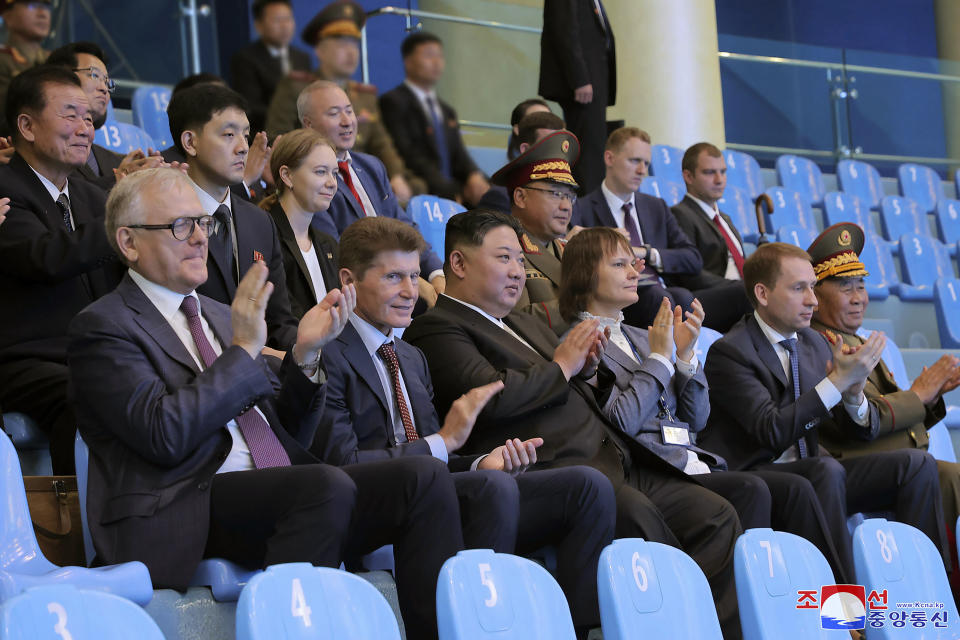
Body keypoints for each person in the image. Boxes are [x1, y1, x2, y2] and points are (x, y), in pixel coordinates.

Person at [67, 167, 470, 640]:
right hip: (182, 504)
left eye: (205, 223)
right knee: (320, 487)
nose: (200, 239)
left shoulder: (220, 313)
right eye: (181, 226)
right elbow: (163, 435)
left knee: (423, 477)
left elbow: (286, 431)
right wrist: (241, 350)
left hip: (270, 490)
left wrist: (305, 356)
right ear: (129, 243)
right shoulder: (104, 326)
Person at [404, 208, 749, 638]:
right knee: (639, 516)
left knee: (715, 514)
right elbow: (491, 396)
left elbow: (588, 388)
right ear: (457, 264)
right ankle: (675, 626)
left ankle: (713, 629)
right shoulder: (439, 328)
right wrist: (563, 367)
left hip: (618, 455)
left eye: (519, 260)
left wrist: (585, 370)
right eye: (503, 258)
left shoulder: (525, 322)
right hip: (555, 468)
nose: (517, 271)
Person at [313, 216, 616, 636]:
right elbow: (343, 463)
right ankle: (479, 628)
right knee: (490, 489)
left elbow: (440, 455)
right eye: (393, 277)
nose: (409, 292)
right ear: (348, 279)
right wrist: (445, 445)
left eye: (415, 276)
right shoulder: (326, 352)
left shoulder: (410, 356)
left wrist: (480, 462)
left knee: (586, 486)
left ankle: (585, 631)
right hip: (371, 501)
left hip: (433, 489)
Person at [558, 226, 848, 581]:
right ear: (586, 275)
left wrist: (684, 357)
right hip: (652, 471)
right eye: (620, 265)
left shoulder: (641, 335)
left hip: (692, 459)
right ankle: (750, 613)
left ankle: (832, 613)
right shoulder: (579, 345)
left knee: (798, 490)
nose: (635, 272)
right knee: (753, 489)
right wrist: (662, 358)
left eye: (634, 264)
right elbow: (621, 421)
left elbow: (697, 419)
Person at [701, 241, 949, 582]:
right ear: (762, 293)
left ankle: (929, 591)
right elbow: (771, 430)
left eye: (813, 288)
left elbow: (857, 430)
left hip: (814, 471)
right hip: (757, 473)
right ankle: (845, 616)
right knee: (825, 471)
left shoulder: (813, 342)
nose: (812, 301)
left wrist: (853, 393)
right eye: (799, 288)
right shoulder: (730, 352)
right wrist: (835, 383)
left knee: (917, 465)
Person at [808, 222, 960, 559]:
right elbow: (857, 423)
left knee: (952, 476)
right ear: (815, 294)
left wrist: (930, 396)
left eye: (861, 286)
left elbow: (889, 413)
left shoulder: (859, 340)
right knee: (944, 475)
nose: (859, 298)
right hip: (856, 464)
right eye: (845, 287)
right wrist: (918, 394)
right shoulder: (816, 344)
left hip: (892, 457)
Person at [0, 65, 121, 474]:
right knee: (89, 392)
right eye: (70, 114)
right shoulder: (5, 188)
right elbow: (45, 258)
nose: (85, 128)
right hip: (28, 360)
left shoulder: (94, 195)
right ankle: (83, 523)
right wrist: (126, 221)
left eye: (88, 117)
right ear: (27, 126)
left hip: (98, 351)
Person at [167, 82, 299, 349]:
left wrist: (310, 354)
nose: (243, 147)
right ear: (190, 142)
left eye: (246, 135)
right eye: (229, 135)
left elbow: (279, 321)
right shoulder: (166, 220)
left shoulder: (260, 222)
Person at [297, 80, 446, 308]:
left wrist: (435, 273)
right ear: (308, 124)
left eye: (349, 111)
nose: (347, 122)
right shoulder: (309, 179)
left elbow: (405, 227)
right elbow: (336, 253)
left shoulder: (371, 166)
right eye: (335, 114)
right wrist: (411, 280)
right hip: (359, 296)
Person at [264, 0, 417, 204]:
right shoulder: (295, 88)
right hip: (316, 178)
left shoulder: (364, 96)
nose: (351, 51)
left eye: (354, 43)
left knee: (413, 189)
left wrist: (397, 175)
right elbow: (279, 139)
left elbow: (382, 144)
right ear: (319, 50)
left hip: (359, 174)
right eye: (341, 43)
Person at [572, 127, 702, 329]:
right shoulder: (582, 208)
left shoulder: (656, 206)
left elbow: (692, 258)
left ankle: (684, 358)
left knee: (684, 297)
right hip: (620, 300)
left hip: (664, 290)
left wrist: (647, 253)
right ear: (609, 158)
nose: (642, 171)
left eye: (646, 163)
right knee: (662, 298)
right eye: (634, 161)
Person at [488, 129, 582, 335]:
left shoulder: (569, 250)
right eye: (556, 194)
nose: (567, 206)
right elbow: (516, 323)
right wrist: (587, 297)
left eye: (570, 196)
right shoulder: (503, 252)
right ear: (520, 197)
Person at [378, 32, 489, 206]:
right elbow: (408, 153)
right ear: (408, 61)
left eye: (440, 56)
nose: (437, 62)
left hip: (452, 186)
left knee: (494, 192)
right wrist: (450, 189)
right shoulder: (394, 102)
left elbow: (459, 154)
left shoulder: (446, 110)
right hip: (423, 185)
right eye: (429, 55)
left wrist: (474, 175)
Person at [47, 41, 171, 190]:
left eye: (107, 82)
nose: (104, 89)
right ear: (60, 78)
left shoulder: (116, 160)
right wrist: (121, 179)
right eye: (94, 75)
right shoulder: (45, 147)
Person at [670, 142, 754, 332]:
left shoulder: (725, 219)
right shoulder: (679, 214)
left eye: (723, 172)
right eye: (709, 172)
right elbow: (691, 274)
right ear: (688, 176)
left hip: (738, 293)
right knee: (751, 293)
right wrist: (741, 286)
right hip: (706, 299)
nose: (719, 180)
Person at [260, 128, 341, 320]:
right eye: (321, 172)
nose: (332, 183)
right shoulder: (264, 237)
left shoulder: (328, 244)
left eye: (335, 173)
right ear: (287, 175)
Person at [538, 0, 615, 194]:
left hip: (595, 83)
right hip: (583, 85)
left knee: (595, 152)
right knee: (587, 158)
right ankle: (588, 214)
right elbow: (564, 32)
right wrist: (579, 78)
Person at [230, 0, 311, 135]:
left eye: (288, 19)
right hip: (266, 133)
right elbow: (250, 107)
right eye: (277, 20)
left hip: (302, 132)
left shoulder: (302, 57)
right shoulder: (246, 59)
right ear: (259, 26)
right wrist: (290, 117)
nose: (285, 25)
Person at [478, 110, 564, 215]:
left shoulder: (568, 196)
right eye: (548, 147)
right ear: (525, 149)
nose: (557, 156)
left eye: (560, 148)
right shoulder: (500, 197)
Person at [0, 0, 50, 134]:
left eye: (46, 6)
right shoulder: (3, 60)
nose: (43, 13)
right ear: (7, 14)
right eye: (32, 5)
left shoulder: (57, 61)